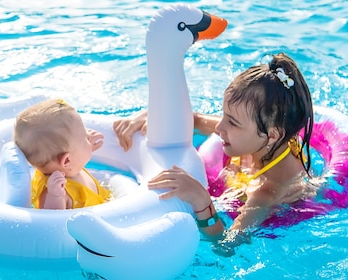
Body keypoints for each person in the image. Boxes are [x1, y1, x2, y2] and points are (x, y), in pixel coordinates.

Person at [113, 53, 319, 253]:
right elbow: (195, 119)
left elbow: (227, 245)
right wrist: (146, 116)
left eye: (232, 122)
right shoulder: (261, 135)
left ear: (273, 135)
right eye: (224, 115)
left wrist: (202, 200)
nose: (219, 127)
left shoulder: (266, 192)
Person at [14, 99, 112, 210]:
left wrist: (87, 146)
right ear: (66, 161)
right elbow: (51, 221)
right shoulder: (58, 191)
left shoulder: (70, 166)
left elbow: (75, 155)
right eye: (85, 138)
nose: (89, 136)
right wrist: (55, 197)